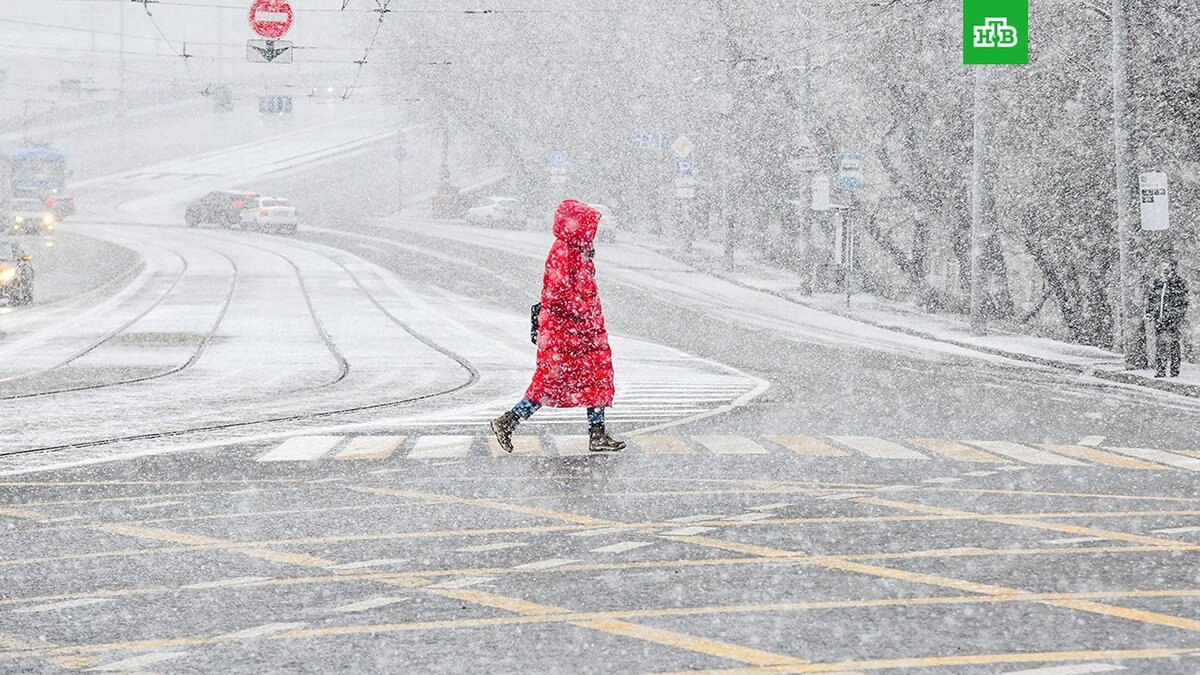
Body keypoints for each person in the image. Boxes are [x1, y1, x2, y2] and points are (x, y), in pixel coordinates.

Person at [491, 199, 626, 453]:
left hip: (582, 330)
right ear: (575, 226)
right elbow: (556, 293)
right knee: (551, 382)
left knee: (596, 377)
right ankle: (508, 420)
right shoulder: (564, 251)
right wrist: (584, 311)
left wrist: (588, 316)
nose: (592, 232)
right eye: (588, 226)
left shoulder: (578, 250)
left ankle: (597, 434)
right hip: (566, 332)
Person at [1144, 260, 1189, 378]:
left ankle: (1174, 370)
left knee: (1174, 344)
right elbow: (1152, 299)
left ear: (1173, 267)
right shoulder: (1158, 282)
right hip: (1159, 319)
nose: (1164, 268)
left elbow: (1182, 302)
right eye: (1163, 265)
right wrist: (1150, 313)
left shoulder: (1178, 282)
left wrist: (1175, 316)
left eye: (1167, 265)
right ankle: (1160, 370)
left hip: (1172, 320)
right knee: (1160, 344)